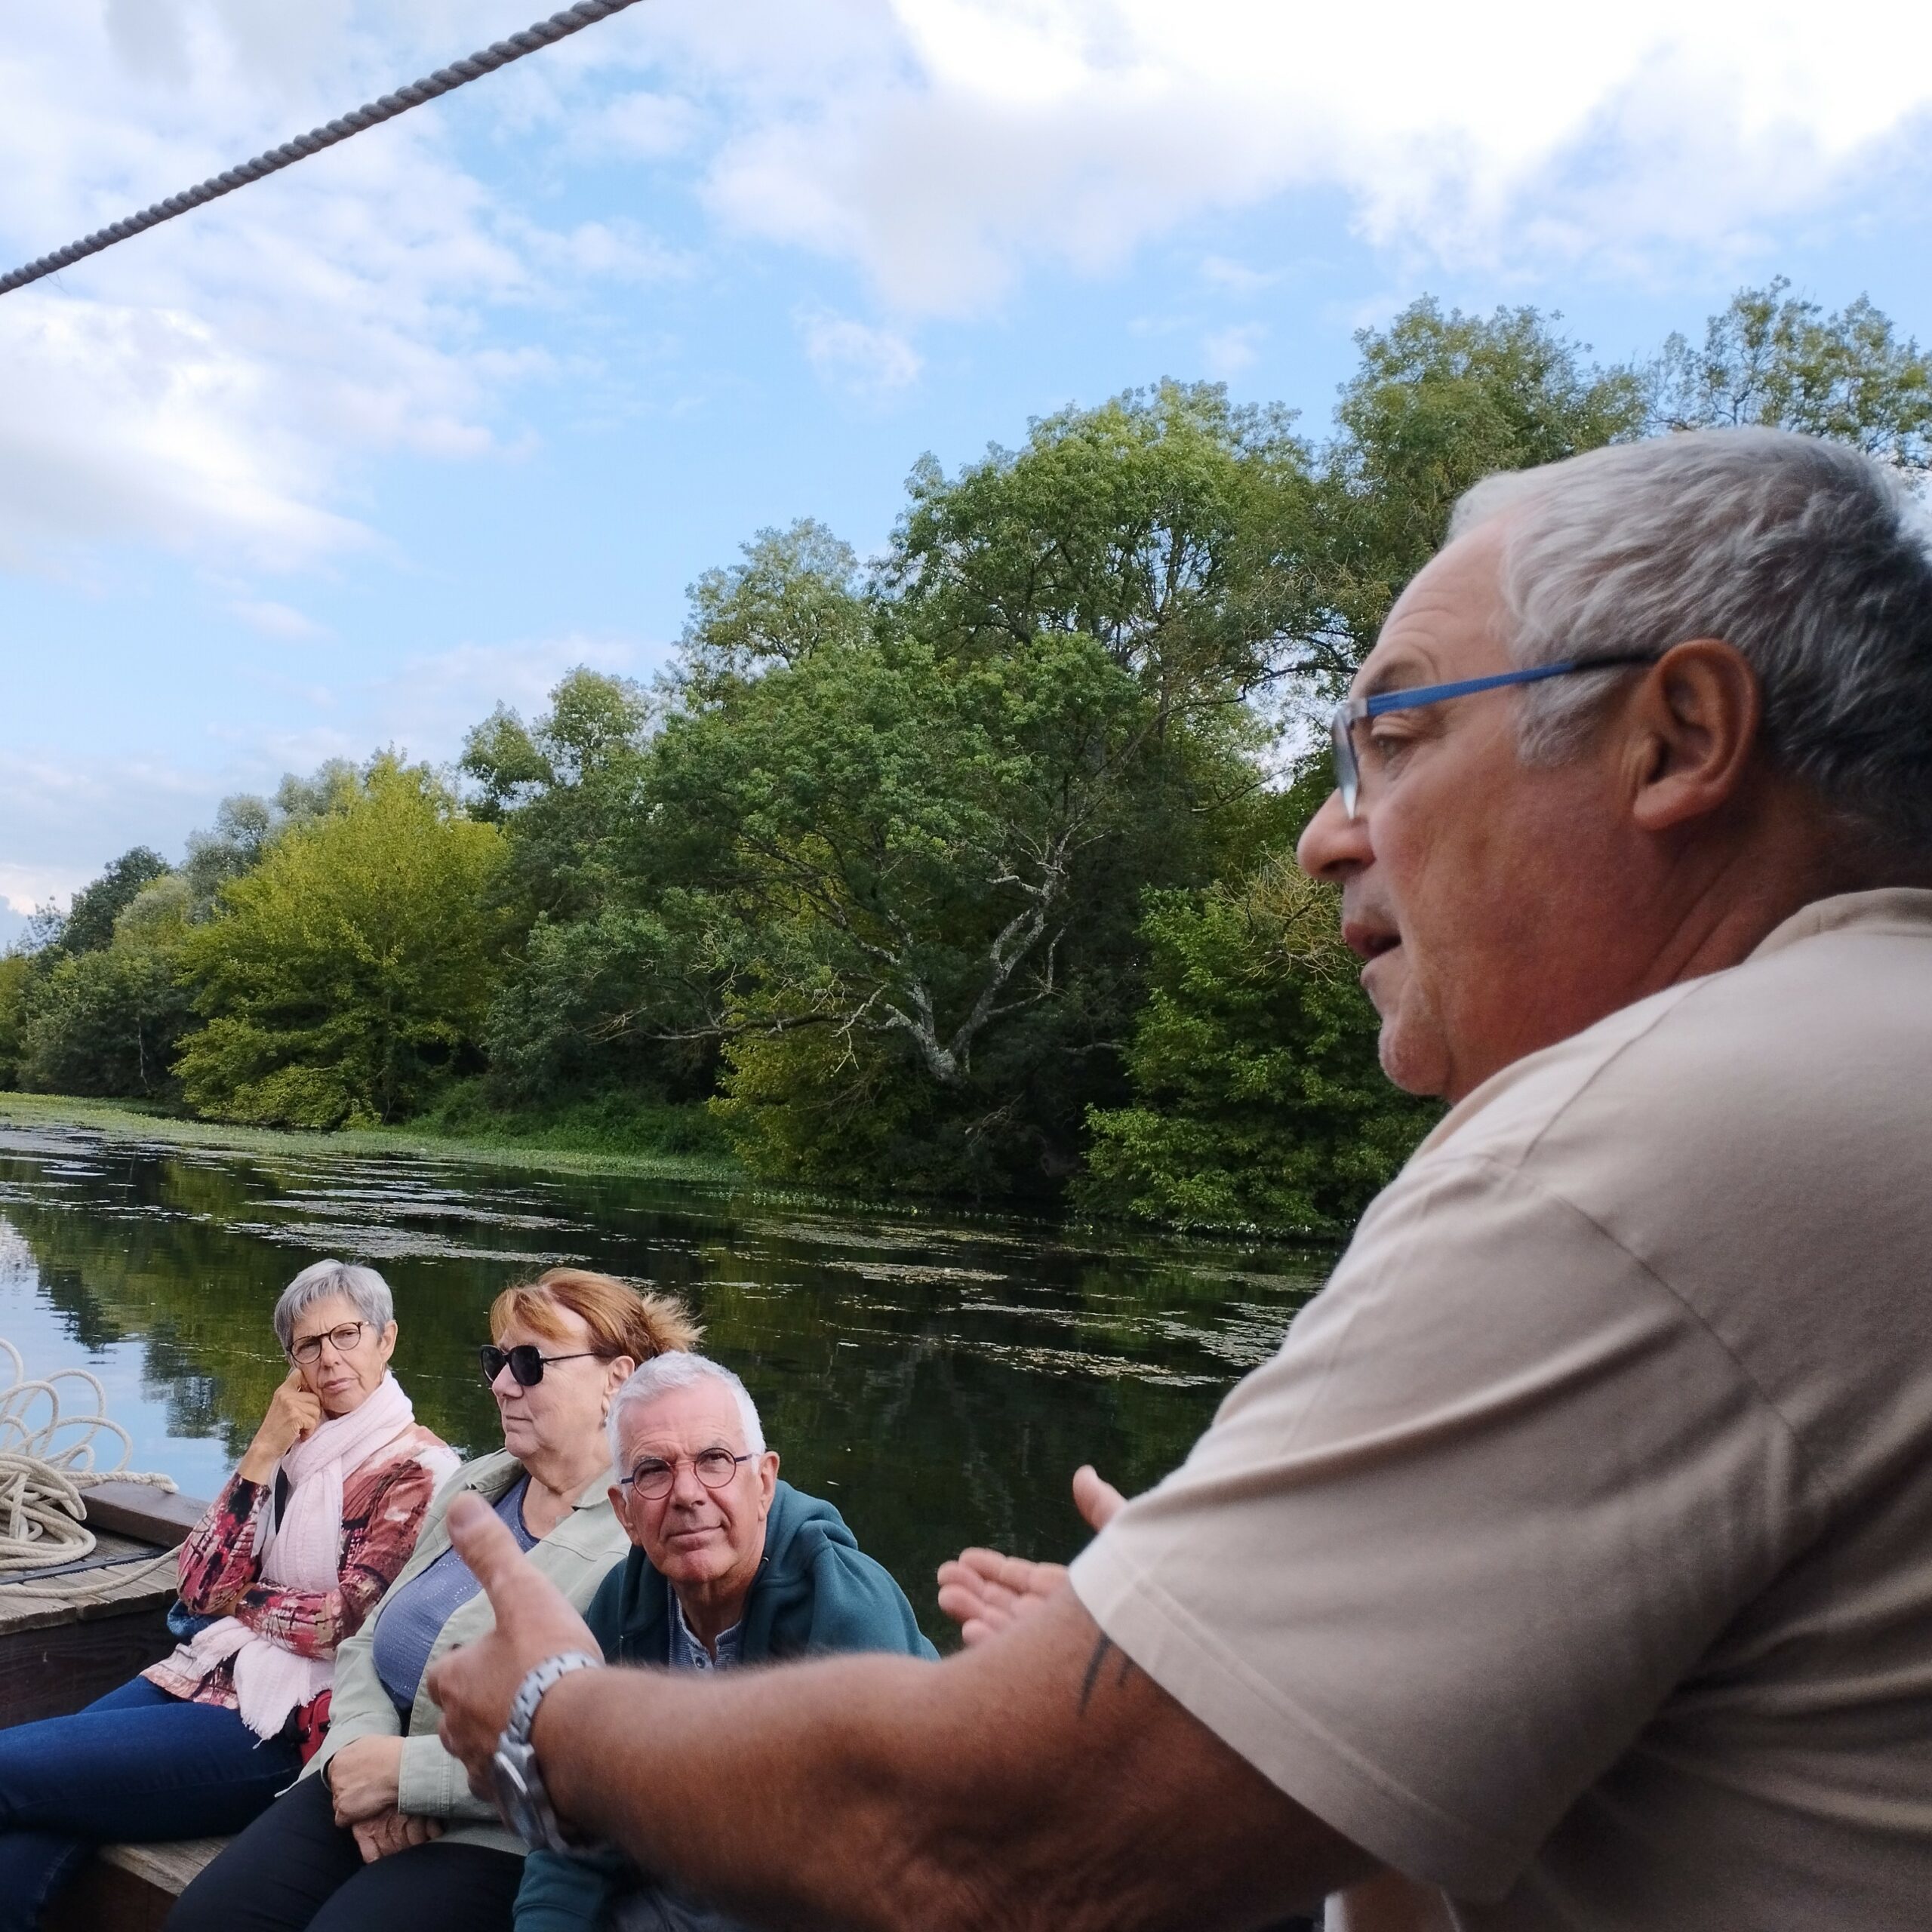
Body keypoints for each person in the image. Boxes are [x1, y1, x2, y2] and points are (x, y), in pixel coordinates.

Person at [424, 426, 1932, 1931]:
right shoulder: (1858, 1069)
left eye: (1391, 737)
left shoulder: (1634, 1144)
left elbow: (995, 1852)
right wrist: (1234, 1667)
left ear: (1672, 735)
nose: (1321, 833)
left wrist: (559, 1717)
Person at [169, 1268, 700, 1932]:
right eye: (498, 1361)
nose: (503, 1384)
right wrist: (362, 1761)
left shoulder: (646, 1536)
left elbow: (610, 1750)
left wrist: (406, 1777)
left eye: (531, 1364)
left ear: (616, 1380)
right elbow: (366, 1642)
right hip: (362, 1773)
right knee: (207, 1919)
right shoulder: (477, 1483)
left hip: (502, 1830)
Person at [0, 1259, 457, 1932]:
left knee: (11, 1769)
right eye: (308, 1344)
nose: (329, 1359)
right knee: (27, 1823)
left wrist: (244, 1606)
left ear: (386, 1339)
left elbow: (344, 1624)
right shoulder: (294, 1454)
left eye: (347, 1335)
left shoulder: (421, 1469)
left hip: (288, 1724)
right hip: (208, 1674)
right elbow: (198, 1584)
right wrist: (263, 1450)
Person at [515, 1351, 936, 1932]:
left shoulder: (841, 1606)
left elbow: (873, 1856)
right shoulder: (621, 1606)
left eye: (714, 1460)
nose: (687, 1494)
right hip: (683, 1888)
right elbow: (576, 1820)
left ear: (763, 1483)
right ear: (625, 1512)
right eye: (654, 1472)